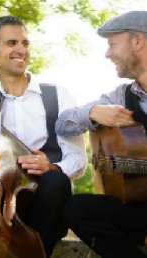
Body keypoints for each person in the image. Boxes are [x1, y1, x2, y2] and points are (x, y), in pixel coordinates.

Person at [0, 16, 87, 257]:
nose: (21, 50)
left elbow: (79, 160)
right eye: (12, 43)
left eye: (25, 43)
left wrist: (52, 167)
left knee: (55, 182)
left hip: (48, 202)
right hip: (4, 204)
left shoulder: (58, 95)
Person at [55, 10, 147, 258]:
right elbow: (62, 124)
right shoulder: (119, 97)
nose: (107, 54)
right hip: (138, 209)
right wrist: (94, 112)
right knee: (77, 209)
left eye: (112, 45)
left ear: (137, 41)